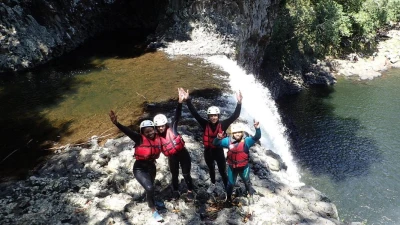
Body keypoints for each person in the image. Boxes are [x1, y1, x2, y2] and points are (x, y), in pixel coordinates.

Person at [179, 88, 242, 193]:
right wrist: (188, 100)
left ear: (218, 116)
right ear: (208, 117)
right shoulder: (205, 124)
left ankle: (227, 186)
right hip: (208, 152)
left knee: (222, 171)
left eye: (215, 115)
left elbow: (235, 116)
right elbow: (195, 114)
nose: (213, 117)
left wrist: (239, 103)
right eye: (211, 116)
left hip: (218, 152)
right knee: (211, 169)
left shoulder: (223, 124)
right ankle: (213, 184)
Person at [109, 111, 163, 222]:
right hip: (139, 169)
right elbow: (127, 131)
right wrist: (116, 123)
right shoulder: (139, 139)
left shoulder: (158, 136)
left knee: (151, 187)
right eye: (147, 132)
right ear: (143, 133)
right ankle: (153, 210)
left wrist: (181, 103)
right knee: (149, 188)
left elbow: (171, 126)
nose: (150, 133)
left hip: (151, 166)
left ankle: (152, 201)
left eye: (151, 130)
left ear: (154, 129)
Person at [153, 89, 195, 201]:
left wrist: (180, 102)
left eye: (162, 125)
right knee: (174, 175)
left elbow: (177, 116)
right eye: (159, 126)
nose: (161, 128)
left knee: (186, 174)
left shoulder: (172, 128)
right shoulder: (156, 137)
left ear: (165, 124)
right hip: (172, 158)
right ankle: (176, 191)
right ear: (156, 127)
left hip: (183, 154)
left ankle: (190, 190)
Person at [213, 120, 261, 204]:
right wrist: (218, 138)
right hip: (232, 167)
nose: (238, 134)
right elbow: (215, 143)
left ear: (242, 132)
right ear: (232, 133)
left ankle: (249, 194)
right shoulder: (227, 141)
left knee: (247, 181)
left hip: (244, 167)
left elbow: (257, 137)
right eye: (235, 132)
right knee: (230, 184)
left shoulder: (247, 141)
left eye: (239, 132)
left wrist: (257, 129)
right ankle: (228, 198)